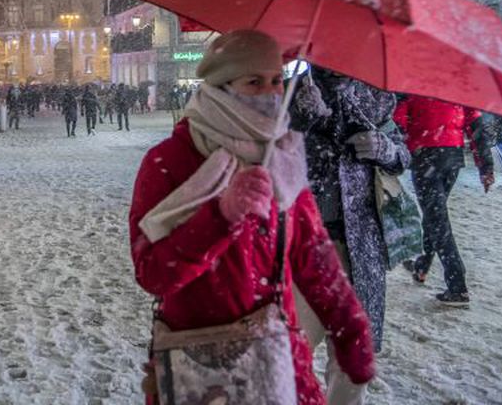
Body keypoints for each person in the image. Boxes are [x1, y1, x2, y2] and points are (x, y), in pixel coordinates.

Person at [130, 30, 375, 404]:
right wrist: (221, 216)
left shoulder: (283, 157)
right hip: (200, 365)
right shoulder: (170, 161)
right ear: (223, 86)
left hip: (278, 364)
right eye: (254, 82)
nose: (271, 92)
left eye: (277, 80)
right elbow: (154, 273)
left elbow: (315, 260)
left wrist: (352, 335)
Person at [290, 68, 409, 404]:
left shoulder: (377, 97)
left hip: (360, 249)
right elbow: (263, 155)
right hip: (305, 248)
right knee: (290, 350)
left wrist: (384, 148)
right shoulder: (290, 94)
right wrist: (299, 120)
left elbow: (403, 154)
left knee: (352, 361)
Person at [394, 95, 481, 305]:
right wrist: (484, 163)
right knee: (434, 214)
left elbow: (398, 123)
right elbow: (476, 124)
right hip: (452, 157)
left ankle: (457, 285)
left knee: (437, 220)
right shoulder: (455, 88)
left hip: (425, 157)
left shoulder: (412, 87)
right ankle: (422, 266)